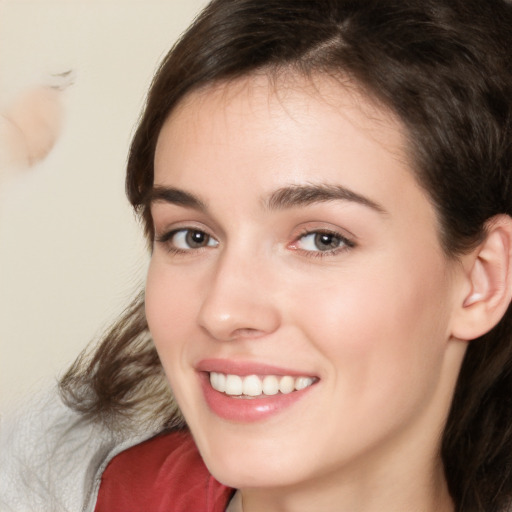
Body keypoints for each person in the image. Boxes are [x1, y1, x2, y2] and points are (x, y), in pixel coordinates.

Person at [1, 0, 512, 511]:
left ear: (481, 281)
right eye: (192, 236)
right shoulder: (56, 488)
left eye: (321, 239)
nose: (222, 311)